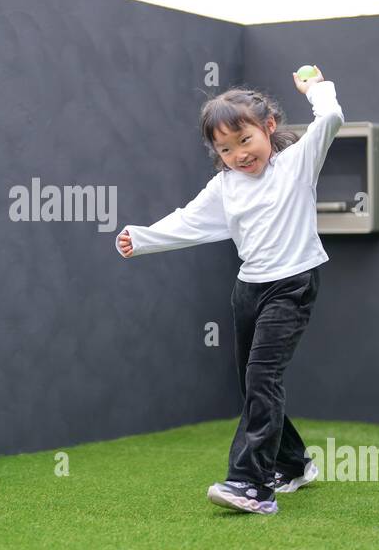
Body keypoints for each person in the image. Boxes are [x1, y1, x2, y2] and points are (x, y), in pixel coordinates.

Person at [115, 67, 344, 514]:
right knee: (252, 382)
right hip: (248, 290)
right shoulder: (225, 187)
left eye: (245, 141)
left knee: (262, 378)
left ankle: (252, 486)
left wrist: (315, 87)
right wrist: (141, 238)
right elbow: (187, 221)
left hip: (292, 285)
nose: (238, 154)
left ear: (269, 128)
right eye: (225, 148)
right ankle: (293, 463)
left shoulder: (297, 163)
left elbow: (331, 117)